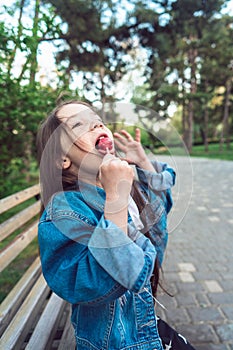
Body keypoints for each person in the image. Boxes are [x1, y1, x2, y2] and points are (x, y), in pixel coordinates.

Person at [37, 100, 195, 350]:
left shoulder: (119, 187)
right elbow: (98, 280)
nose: (97, 124)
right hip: (115, 342)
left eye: (96, 119)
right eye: (79, 124)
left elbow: (158, 218)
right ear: (63, 160)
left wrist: (142, 161)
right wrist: (116, 200)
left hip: (141, 325)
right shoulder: (65, 209)